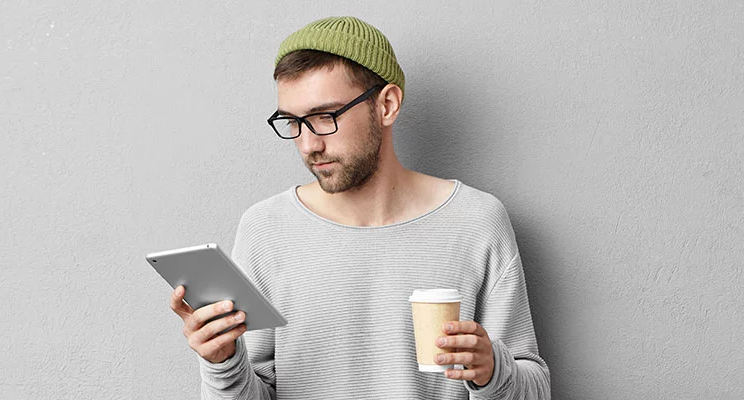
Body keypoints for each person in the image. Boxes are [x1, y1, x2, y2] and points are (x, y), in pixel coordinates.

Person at [167, 16, 552, 399]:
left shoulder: (476, 221)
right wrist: (223, 364)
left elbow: (535, 388)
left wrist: (492, 371)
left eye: (325, 117)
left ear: (387, 105)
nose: (308, 145)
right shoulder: (265, 230)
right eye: (292, 122)